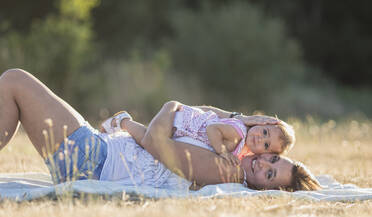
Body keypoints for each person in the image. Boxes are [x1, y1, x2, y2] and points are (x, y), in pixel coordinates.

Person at [0, 69, 321, 191]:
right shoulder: (231, 150)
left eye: (268, 174)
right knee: (14, 84)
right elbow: (201, 116)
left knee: (14, 81)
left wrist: (166, 107)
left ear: (265, 190)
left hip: (92, 161)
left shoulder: (226, 170)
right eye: (272, 159)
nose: (262, 163)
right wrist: (243, 119)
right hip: (98, 152)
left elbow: (157, 141)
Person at [101, 103, 295, 167]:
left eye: (267, 145)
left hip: (186, 129)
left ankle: (123, 127)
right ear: (260, 122)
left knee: (148, 144)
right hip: (183, 123)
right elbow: (213, 130)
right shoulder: (239, 133)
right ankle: (123, 121)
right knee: (148, 142)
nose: (261, 138)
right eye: (264, 132)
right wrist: (221, 151)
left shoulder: (243, 147)